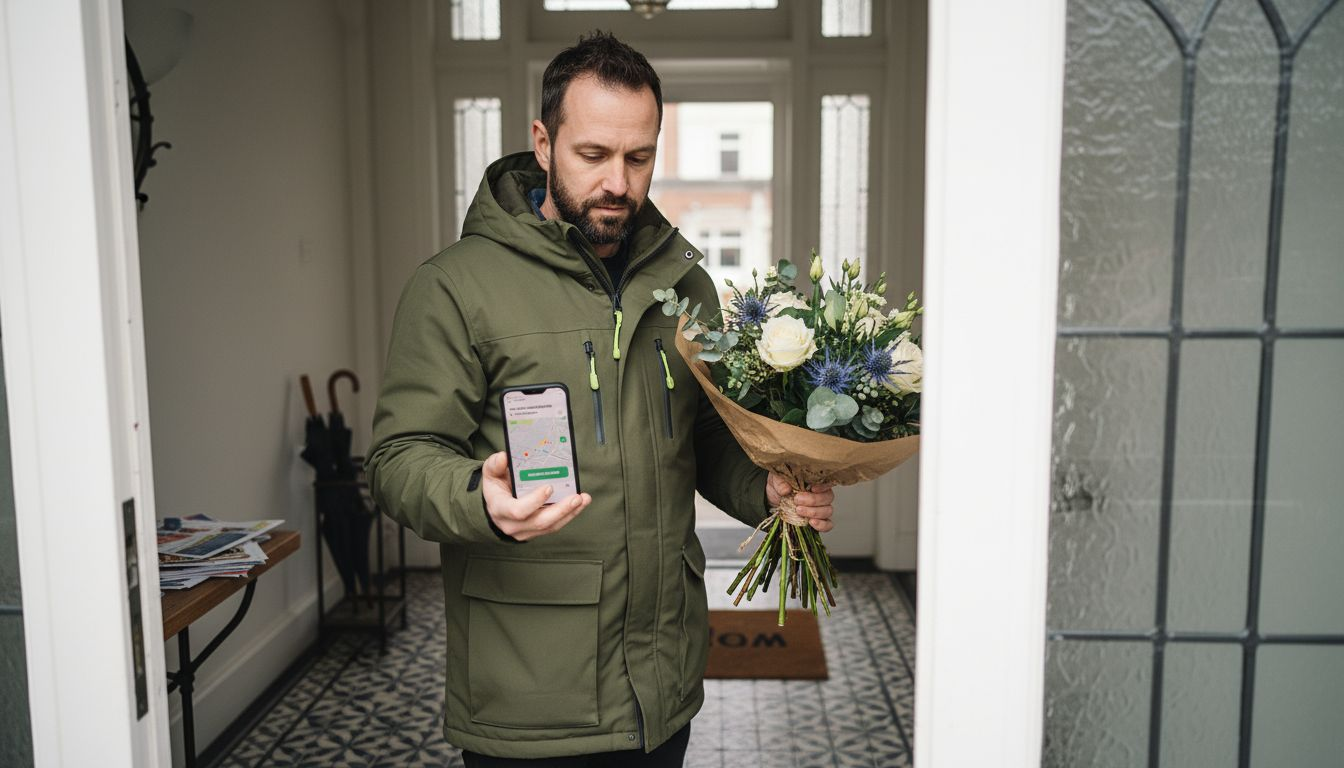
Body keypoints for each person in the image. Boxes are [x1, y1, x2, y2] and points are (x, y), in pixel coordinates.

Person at [366, 31, 835, 767]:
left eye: (639, 157)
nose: (618, 181)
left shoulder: (685, 285)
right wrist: (477, 496)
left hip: (662, 684)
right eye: (593, 155)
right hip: (530, 696)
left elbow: (705, 440)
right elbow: (396, 460)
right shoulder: (455, 286)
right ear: (543, 142)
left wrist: (767, 489)